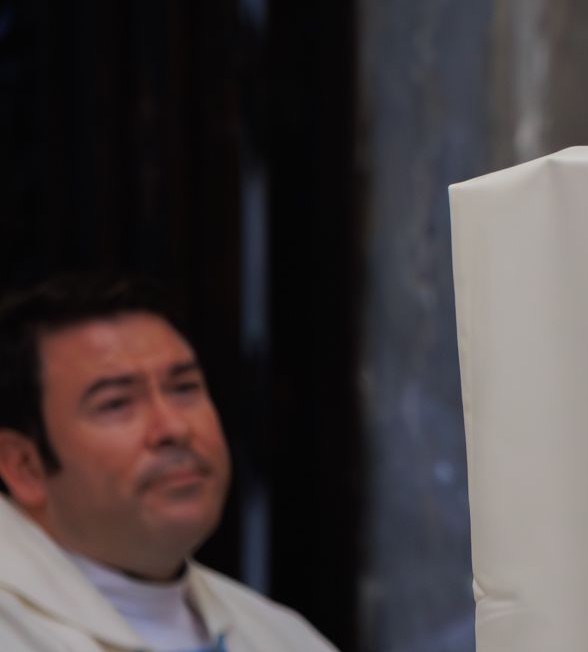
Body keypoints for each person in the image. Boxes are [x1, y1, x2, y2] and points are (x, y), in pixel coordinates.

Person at [0, 273, 338, 652]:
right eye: (116, 403)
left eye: (184, 388)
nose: (174, 428)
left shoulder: (281, 635)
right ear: (24, 466)